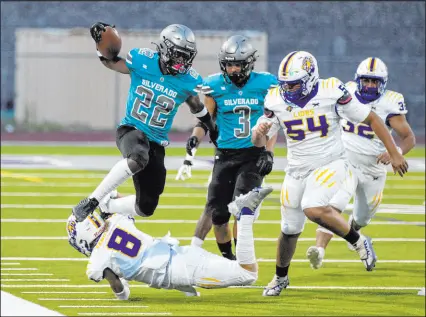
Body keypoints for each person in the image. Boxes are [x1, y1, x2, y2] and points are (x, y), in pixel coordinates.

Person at [251, 51, 409, 296]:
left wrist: (395, 152)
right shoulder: (275, 99)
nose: (288, 89)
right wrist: (260, 133)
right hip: (296, 169)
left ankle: (358, 240)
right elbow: (259, 139)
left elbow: (372, 119)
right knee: (289, 229)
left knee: (312, 207)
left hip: (331, 163)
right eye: (285, 84)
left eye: (294, 83)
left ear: (311, 77)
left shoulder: (331, 91)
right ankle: (280, 278)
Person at [72, 22, 218, 223]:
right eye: (178, 54)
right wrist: (100, 47)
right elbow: (111, 62)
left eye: (186, 56)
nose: (182, 61)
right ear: (165, 49)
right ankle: (92, 201)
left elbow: (196, 106)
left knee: (146, 207)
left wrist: (211, 127)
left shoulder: (188, 80)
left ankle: (109, 205)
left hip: (156, 141)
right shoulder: (142, 60)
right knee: (138, 157)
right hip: (131, 129)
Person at [306, 57, 416, 270]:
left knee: (363, 217)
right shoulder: (345, 92)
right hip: (345, 159)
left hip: (373, 166)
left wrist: (396, 152)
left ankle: (354, 233)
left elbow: (408, 136)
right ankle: (319, 249)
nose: (369, 86)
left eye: (374, 82)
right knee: (334, 205)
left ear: (383, 83)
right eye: (366, 81)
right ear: (358, 80)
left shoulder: (390, 102)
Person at [66, 187, 273, 299]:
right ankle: (242, 212)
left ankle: (243, 214)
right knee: (238, 271)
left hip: (181, 269)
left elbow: (118, 287)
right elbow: (129, 202)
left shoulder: (97, 260)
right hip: (179, 254)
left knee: (247, 274)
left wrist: (122, 297)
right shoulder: (116, 220)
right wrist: (108, 197)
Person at [175, 35, 278, 260]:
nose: (232, 69)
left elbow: (274, 121)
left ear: (249, 63)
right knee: (218, 214)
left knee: (242, 210)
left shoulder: (266, 83)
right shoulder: (214, 85)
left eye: (237, 64)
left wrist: (269, 152)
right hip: (224, 155)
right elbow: (205, 120)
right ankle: (228, 259)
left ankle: (243, 261)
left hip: (253, 154)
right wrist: (195, 138)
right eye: (228, 64)